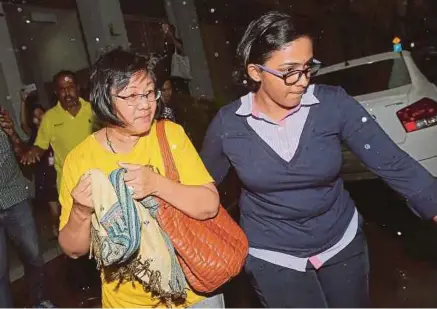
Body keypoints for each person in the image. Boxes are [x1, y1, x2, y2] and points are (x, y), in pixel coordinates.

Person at [200, 11, 437, 308]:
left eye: (307, 68)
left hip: (340, 242)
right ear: (255, 72)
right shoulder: (228, 125)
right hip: (273, 254)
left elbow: (391, 161)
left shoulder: (332, 104)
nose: (301, 81)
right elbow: (201, 185)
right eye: (289, 71)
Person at [57, 48, 224, 308]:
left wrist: (156, 184)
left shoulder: (170, 135)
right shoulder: (79, 160)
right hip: (128, 302)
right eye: (132, 96)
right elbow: (73, 249)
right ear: (104, 100)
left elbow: (209, 205)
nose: (146, 104)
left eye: (148, 93)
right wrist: (80, 211)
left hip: (192, 292)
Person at [0, 107, 54, 308]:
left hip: (15, 198)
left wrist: (12, 133)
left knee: (34, 255)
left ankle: (40, 301)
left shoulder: (4, 118)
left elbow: (24, 151)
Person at [21, 70, 95, 190]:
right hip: (71, 183)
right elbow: (41, 145)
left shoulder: (93, 110)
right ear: (56, 92)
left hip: (99, 176)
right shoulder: (50, 118)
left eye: (70, 87)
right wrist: (33, 152)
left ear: (78, 88)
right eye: (62, 89)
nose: (67, 93)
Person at [20, 92, 59, 237]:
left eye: (40, 115)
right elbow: (23, 124)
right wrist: (23, 101)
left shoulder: (53, 127)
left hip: (58, 172)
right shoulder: (34, 133)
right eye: (35, 117)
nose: (38, 119)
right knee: (54, 209)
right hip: (45, 177)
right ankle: (56, 230)